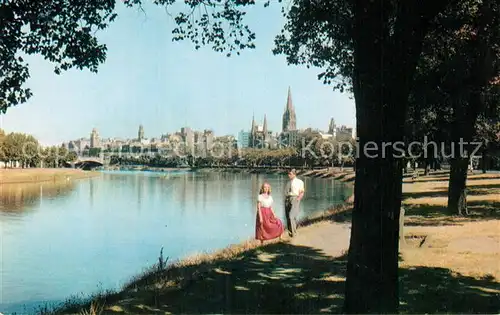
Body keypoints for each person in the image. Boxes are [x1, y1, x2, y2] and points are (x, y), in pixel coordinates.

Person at [284, 168, 304, 237]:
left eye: (290, 174)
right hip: (287, 199)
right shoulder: (288, 182)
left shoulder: (299, 182)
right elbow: (286, 192)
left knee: (291, 216)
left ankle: (294, 234)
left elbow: (301, 192)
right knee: (288, 217)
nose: (289, 175)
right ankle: (291, 233)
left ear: (294, 174)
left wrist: (298, 199)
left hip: (295, 198)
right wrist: (286, 199)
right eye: (288, 174)